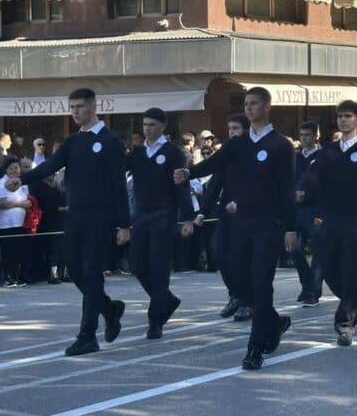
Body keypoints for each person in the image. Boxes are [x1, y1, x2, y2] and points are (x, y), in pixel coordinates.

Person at [175, 88, 296, 369]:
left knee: (262, 284)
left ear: (267, 107)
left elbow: (287, 189)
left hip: (268, 223)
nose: (250, 108)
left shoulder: (280, 145)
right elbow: (213, 164)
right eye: (246, 104)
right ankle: (275, 323)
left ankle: (255, 348)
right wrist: (188, 172)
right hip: (241, 224)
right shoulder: (238, 144)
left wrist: (290, 228)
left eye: (254, 104)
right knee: (241, 282)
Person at [16, 88, 132, 357]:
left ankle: (87, 336)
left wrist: (124, 224)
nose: (76, 112)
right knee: (77, 272)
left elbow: (117, 185)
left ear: (93, 106)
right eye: (72, 107)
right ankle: (109, 309)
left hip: (101, 218)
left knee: (91, 273)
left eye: (80, 106)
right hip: (75, 216)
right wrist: (20, 179)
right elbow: (50, 166)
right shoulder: (73, 141)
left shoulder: (111, 141)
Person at [301, 100, 357, 347]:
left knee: (349, 272)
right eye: (339, 116)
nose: (342, 120)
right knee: (327, 269)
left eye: (347, 116)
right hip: (330, 220)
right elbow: (313, 178)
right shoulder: (327, 151)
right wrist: (302, 191)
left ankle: (345, 323)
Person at [126, 108, 195, 339]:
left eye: (152, 125)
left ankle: (155, 320)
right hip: (141, 215)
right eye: (145, 124)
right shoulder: (136, 154)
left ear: (163, 126)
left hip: (164, 215)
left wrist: (188, 218)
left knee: (158, 267)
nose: (147, 128)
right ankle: (167, 299)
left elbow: (182, 186)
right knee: (136, 264)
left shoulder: (174, 152)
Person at [201, 114, 252, 320]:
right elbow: (214, 185)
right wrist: (202, 212)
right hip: (226, 213)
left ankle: (248, 301)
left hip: (249, 213)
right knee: (220, 253)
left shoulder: (252, 154)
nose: (232, 132)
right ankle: (235, 295)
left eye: (236, 128)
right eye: (229, 128)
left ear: (247, 131)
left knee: (243, 258)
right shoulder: (226, 154)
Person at [293, 121, 323, 306]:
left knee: (319, 251)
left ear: (315, 136)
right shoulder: (295, 158)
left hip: (316, 209)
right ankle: (307, 285)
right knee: (294, 250)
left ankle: (313, 291)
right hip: (297, 210)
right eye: (302, 135)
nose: (305, 138)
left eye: (308, 135)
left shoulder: (323, 156)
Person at [0, 156, 33, 288]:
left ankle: (17, 276)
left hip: (20, 223)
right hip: (6, 224)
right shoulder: (2, 183)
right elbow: (1, 203)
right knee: (8, 252)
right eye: (11, 168)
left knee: (18, 251)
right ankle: (8, 277)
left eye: (16, 168)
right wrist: (20, 204)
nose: (14, 171)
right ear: (6, 170)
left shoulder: (21, 184)